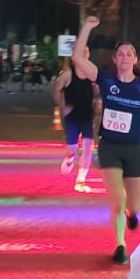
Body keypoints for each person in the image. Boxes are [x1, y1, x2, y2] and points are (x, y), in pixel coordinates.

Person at [71, 17, 140, 264]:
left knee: (136, 205)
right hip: (109, 147)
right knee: (118, 199)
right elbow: (77, 59)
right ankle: (120, 246)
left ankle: (131, 214)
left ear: (135, 60)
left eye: (129, 54)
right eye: (121, 54)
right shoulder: (107, 81)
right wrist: (86, 27)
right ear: (115, 60)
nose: (125, 58)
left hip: (133, 149)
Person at [53, 58, 98, 193]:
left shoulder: (92, 74)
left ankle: (81, 180)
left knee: (88, 148)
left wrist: (97, 99)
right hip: (72, 118)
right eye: (82, 52)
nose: (84, 54)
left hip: (87, 117)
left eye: (86, 51)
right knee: (72, 149)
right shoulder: (68, 75)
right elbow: (56, 90)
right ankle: (69, 158)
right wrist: (63, 107)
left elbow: (98, 92)